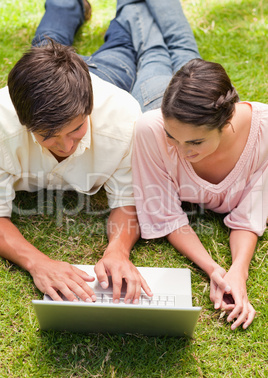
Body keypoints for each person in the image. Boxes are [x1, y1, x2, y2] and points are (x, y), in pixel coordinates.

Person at [0, 0, 201, 304]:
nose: (66, 146)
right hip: (45, 85)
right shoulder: (4, 127)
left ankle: (127, 12)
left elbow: (128, 198)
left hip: (104, 75)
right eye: (47, 137)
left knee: (120, 50)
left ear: (90, 109)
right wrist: (37, 262)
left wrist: (118, 250)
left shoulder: (121, 118)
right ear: (24, 122)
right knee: (43, 47)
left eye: (76, 130)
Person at [132, 57, 268, 330]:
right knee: (151, 55)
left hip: (197, 104)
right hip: (156, 98)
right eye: (174, 139)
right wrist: (212, 269)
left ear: (227, 119)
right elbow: (166, 215)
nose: (182, 153)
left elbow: (250, 215)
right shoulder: (152, 130)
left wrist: (237, 272)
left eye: (195, 142)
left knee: (179, 44)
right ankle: (135, 12)